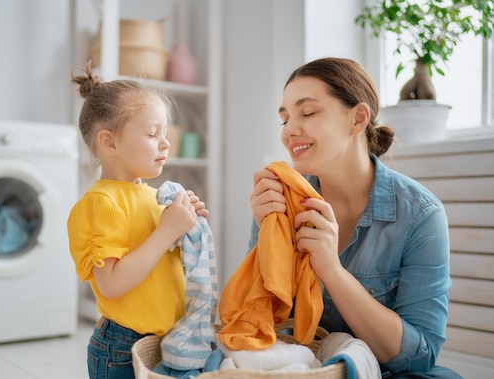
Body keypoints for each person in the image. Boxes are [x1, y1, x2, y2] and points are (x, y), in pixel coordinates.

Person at [249, 57, 460, 378]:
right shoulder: (280, 202)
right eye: (284, 119)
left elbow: (420, 356)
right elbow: (258, 323)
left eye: (307, 113)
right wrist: (268, 239)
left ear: (357, 118)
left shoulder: (420, 214)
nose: (289, 130)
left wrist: (331, 271)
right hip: (301, 367)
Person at [67, 62, 209, 379]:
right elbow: (113, 283)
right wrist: (167, 230)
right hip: (122, 348)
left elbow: (162, 269)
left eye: (165, 132)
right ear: (109, 142)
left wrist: (188, 230)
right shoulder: (100, 203)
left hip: (166, 341)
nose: (165, 142)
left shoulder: (156, 197)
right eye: (151, 133)